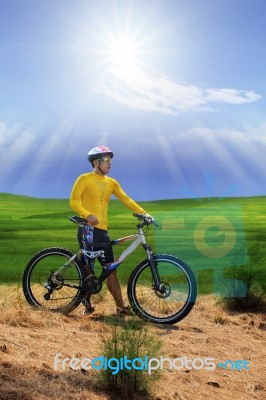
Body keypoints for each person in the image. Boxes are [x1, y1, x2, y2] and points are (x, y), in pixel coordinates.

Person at [69, 145, 151, 316]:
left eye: (110, 160)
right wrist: (87, 214)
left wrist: (144, 213)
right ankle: (87, 306)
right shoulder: (84, 179)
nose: (109, 163)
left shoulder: (111, 182)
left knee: (111, 270)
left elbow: (126, 199)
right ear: (95, 162)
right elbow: (74, 201)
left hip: (103, 232)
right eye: (106, 160)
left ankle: (121, 308)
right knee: (88, 270)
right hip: (88, 229)